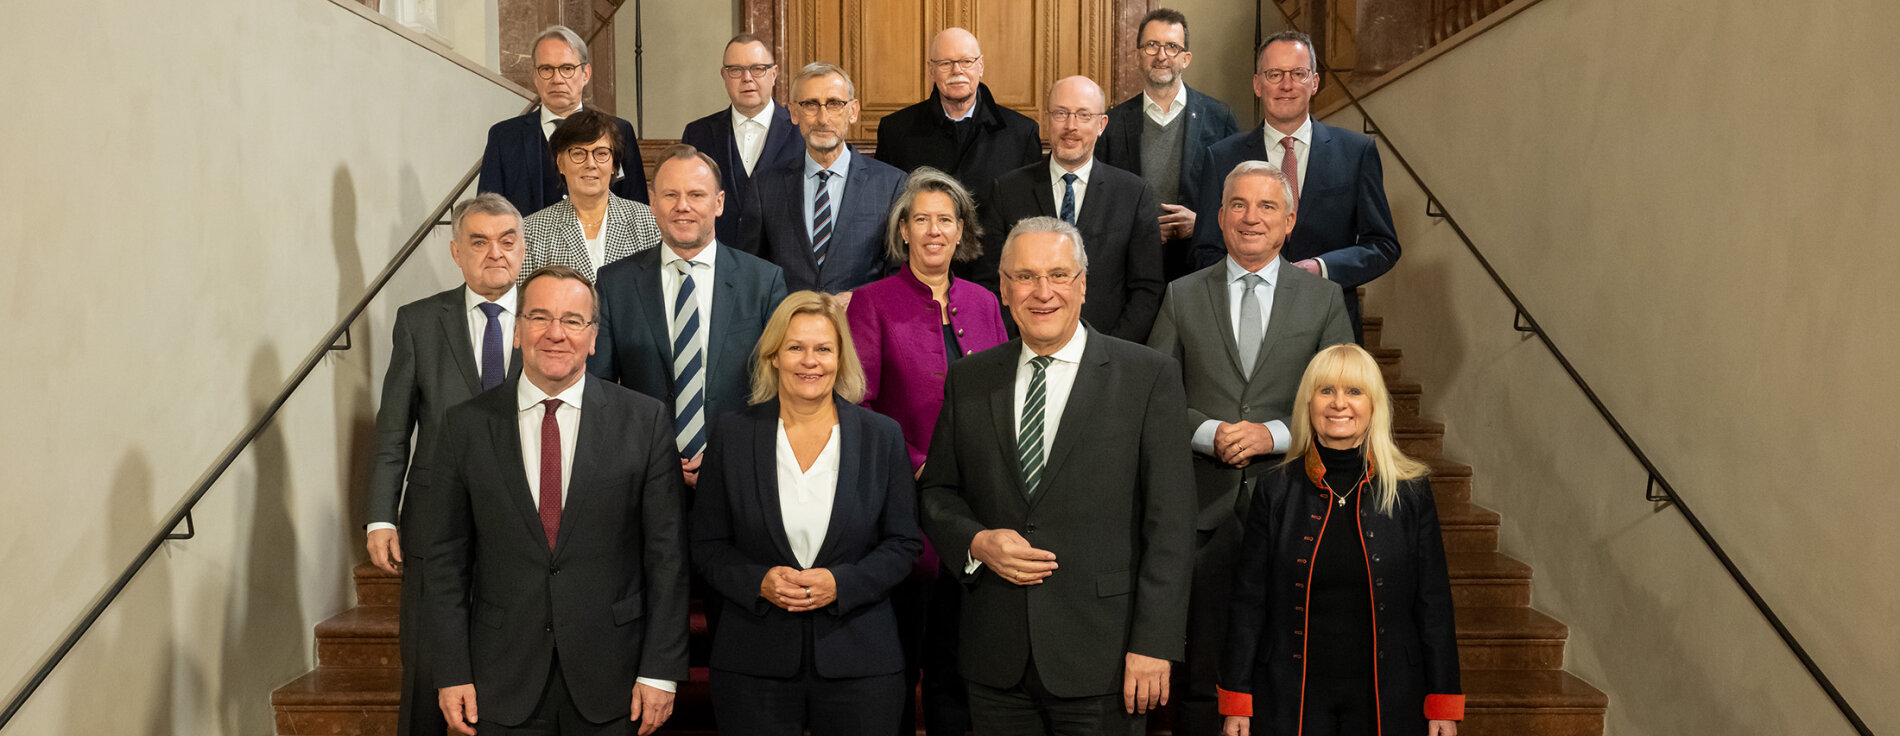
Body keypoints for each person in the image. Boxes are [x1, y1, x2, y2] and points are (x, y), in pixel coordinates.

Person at [918, 217, 1195, 735]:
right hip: (995, 658)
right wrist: (976, 541)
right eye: (1024, 277)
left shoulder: (1148, 376)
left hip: (1106, 659)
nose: (1042, 292)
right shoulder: (971, 378)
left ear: (1083, 285)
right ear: (1003, 289)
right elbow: (938, 493)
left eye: (1058, 275)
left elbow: (1171, 525)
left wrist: (1153, 644)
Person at [413, 265, 690, 736]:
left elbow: (666, 557)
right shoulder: (465, 426)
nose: (556, 334)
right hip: (499, 679)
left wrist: (660, 668)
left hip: (614, 677)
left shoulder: (644, 422)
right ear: (517, 330)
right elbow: (444, 561)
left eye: (573, 320)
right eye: (539, 318)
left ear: (594, 337)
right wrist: (452, 671)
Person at [1145, 161, 1353, 736]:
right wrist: (1209, 433)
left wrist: (1274, 435)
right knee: (1201, 675)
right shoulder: (1182, 296)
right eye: (1238, 204)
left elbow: (1348, 402)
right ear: (1219, 217)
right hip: (1203, 512)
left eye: (1266, 207)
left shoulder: (1324, 299)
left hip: (1297, 508)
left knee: (1288, 669)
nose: (1251, 218)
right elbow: (1158, 399)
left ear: (1288, 222)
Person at [690, 291, 924, 736]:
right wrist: (759, 581)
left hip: (861, 663)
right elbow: (707, 544)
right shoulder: (732, 435)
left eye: (823, 349)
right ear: (774, 355)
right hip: (754, 663)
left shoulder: (882, 436)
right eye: (795, 347)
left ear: (842, 357)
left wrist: (843, 583)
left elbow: (903, 543)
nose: (809, 361)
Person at [1219, 343, 1462, 736]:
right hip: (1287, 695)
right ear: (1309, 402)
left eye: (1354, 391)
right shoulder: (1274, 490)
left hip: (1390, 697)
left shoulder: (1411, 491)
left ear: (1373, 405)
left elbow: (1433, 602)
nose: (1339, 404)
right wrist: (1236, 700)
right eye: (1326, 390)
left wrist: (1443, 704)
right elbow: (1249, 602)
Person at [844, 167, 1008, 736]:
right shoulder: (871, 301)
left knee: (956, 666)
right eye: (922, 220)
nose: (934, 230)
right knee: (898, 661)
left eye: (946, 219)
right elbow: (858, 405)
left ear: (961, 231)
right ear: (904, 231)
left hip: (977, 507)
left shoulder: (986, 302)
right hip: (901, 506)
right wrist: (915, 462)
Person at [365, 193, 526, 736]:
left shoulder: (549, 319)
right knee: (430, 664)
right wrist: (381, 517)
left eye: (507, 241)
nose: (494, 253)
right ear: (456, 252)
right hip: (436, 519)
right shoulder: (418, 323)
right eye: (479, 242)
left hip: (529, 515)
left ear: (523, 249)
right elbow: (393, 429)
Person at [590, 144, 788, 488]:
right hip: (644, 478)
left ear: (719, 202)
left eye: (697, 194)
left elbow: (780, 386)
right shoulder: (614, 283)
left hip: (740, 477)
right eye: (671, 195)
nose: (683, 206)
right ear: (652, 202)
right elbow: (600, 390)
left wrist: (730, 452)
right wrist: (654, 454)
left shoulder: (764, 282)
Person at [1193, 30, 1399, 343]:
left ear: (1314, 83)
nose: (1286, 85)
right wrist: (1253, 277)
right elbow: (1205, 250)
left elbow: (1382, 246)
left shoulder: (1356, 153)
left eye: (1298, 73)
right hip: (1246, 326)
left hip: (1329, 328)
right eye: (1274, 74)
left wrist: (1322, 268)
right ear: (1257, 85)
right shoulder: (1221, 157)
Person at [976, 76, 1164, 343]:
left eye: (1083, 115)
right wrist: (1020, 342)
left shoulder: (1133, 194)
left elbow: (1147, 289)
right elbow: (990, 283)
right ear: (1047, 119)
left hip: (1106, 356)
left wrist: (1111, 351)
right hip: (1024, 349)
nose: (1071, 126)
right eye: (1061, 114)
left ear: (1101, 125)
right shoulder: (1008, 191)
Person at [1094, 8, 1239, 281]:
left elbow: (1238, 196)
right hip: (1129, 271)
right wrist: (1139, 227)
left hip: (1199, 270)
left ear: (1186, 59)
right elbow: (1100, 202)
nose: (1161, 56)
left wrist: (1201, 223)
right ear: (1137, 56)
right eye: (1151, 46)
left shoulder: (1219, 118)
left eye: (1172, 47)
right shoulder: (1111, 123)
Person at [741, 62, 906, 297]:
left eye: (835, 104)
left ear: (853, 111)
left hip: (859, 327)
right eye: (810, 105)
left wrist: (862, 300)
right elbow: (751, 271)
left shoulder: (891, 184)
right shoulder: (765, 185)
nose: (823, 118)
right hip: (788, 328)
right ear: (794, 113)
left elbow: (901, 275)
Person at [481, 25, 649, 216]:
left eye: (567, 68)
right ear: (535, 76)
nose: (557, 79)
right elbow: (487, 212)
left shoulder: (619, 130)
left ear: (585, 74)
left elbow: (637, 207)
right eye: (546, 69)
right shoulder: (504, 137)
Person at [874, 27, 1041, 203]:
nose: (957, 70)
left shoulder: (1022, 133)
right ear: (931, 70)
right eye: (945, 63)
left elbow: (1028, 210)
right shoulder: (895, 130)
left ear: (981, 66)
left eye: (966, 61)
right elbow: (885, 205)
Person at [681, 33, 802, 245]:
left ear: (774, 74)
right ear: (724, 76)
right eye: (736, 70)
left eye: (757, 69)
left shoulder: (800, 131)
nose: (747, 78)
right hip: (719, 261)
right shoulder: (697, 133)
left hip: (782, 264)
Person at [521, 109, 662, 283]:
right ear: (560, 163)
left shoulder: (650, 223)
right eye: (578, 153)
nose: (590, 164)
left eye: (601, 153)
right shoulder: (531, 231)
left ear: (614, 165)